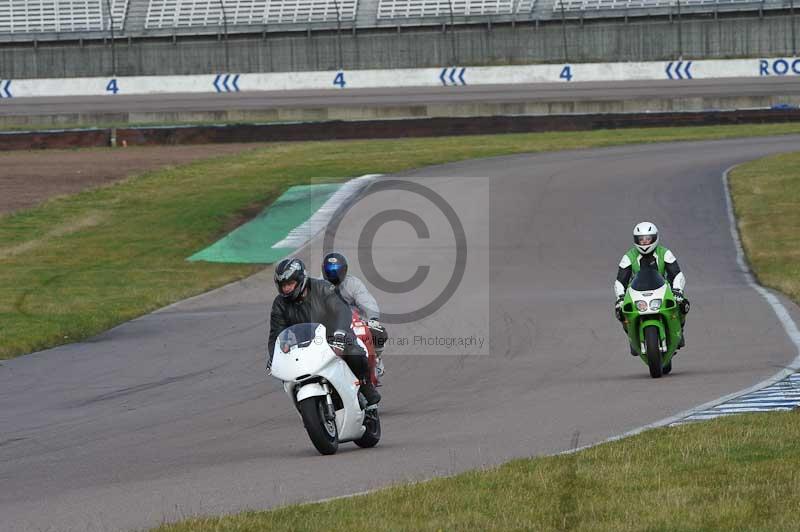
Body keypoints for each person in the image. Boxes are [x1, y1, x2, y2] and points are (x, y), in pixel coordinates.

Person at [267, 257, 381, 405]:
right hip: (304, 344)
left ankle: (365, 386)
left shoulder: (323, 288)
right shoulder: (279, 304)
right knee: (287, 373)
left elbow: (342, 310)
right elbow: (276, 333)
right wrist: (275, 355)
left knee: (353, 352)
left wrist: (340, 333)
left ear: (301, 280)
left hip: (333, 336)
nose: (286, 288)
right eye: (283, 285)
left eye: (290, 284)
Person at [613, 222, 688, 354]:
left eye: (648, 239)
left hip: (663, 290)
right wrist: (620, 297)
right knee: (620, 311)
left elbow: (677, 274)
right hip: (637, 293)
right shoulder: (628, 257)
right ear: (635, 240)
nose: (644, 242)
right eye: (641, 239)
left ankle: (680, 331)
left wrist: (678, 291)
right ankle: (631, 336)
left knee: (683, 304)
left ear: (655, 238)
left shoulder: (665, 253)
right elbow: (620, 281)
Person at [322, 252, 388, 377]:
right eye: (329, 271)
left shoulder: (353, 284)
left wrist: (373, 319)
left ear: (344, 271)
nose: (333, 275)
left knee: (379, 334)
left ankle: (377, 360)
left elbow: (367, 301)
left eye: (336, 271)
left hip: (355, 322)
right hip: (329, 324)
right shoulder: (317, 284)